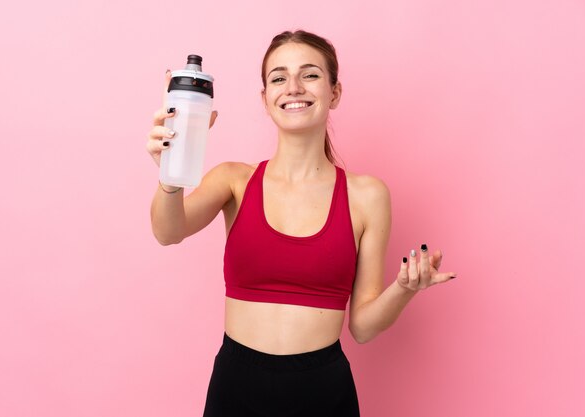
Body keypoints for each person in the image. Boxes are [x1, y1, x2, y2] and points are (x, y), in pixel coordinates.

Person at [146, 30, 457, 417]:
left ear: (335, 92)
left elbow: (362, 327)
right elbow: (167, 231)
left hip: (322, 392)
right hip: (236, 386)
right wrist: (170, 175)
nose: (293, 87)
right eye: (278, 77)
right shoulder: (233, 180)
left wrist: (405, 287)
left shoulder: (367, 195)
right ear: (265, 99)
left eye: (309, 75)